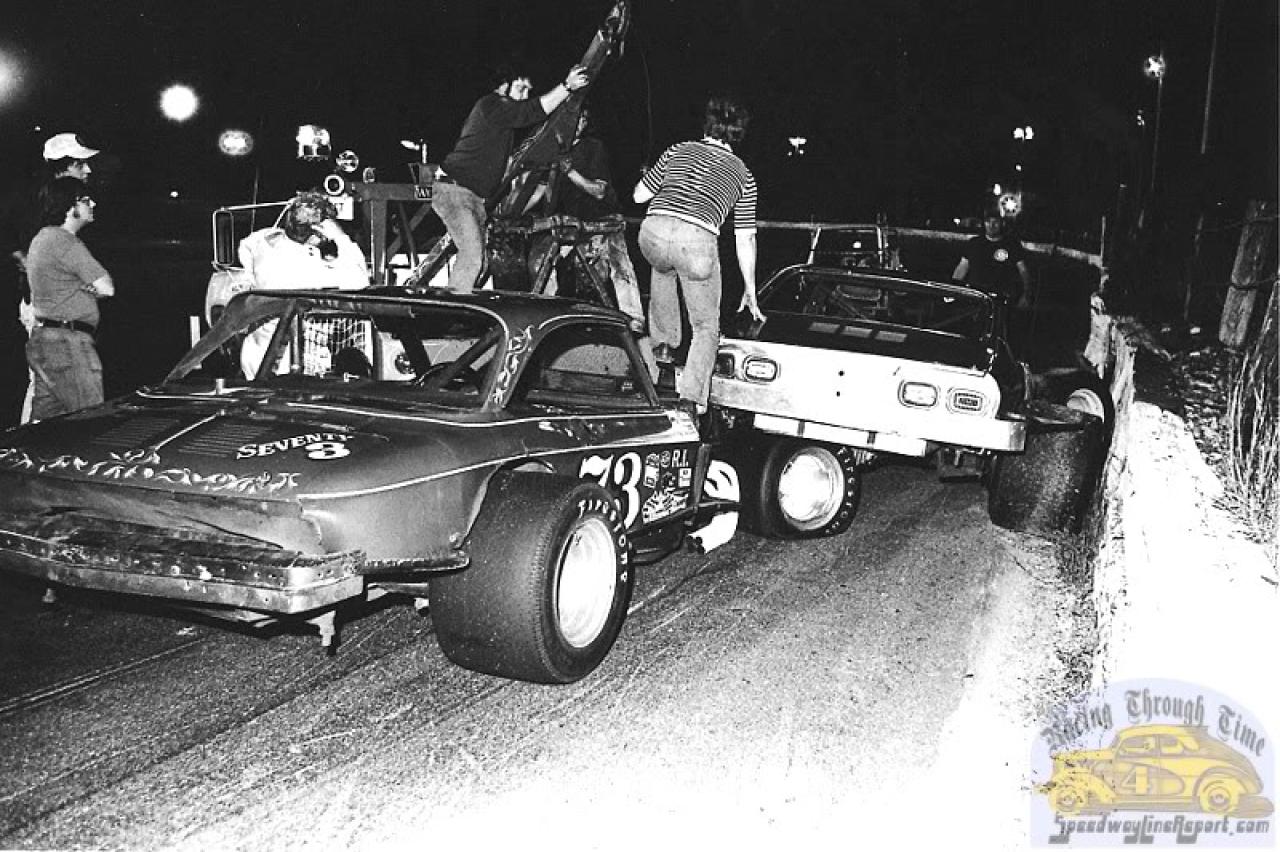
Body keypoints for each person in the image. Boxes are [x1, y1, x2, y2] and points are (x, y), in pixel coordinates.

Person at [633, 96, 766, 416]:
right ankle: (691, 400)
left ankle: (663, 348)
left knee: (663, 267)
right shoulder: (744, 175)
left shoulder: (677, 150)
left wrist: (653, 177)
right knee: (706, 325)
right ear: (739, 134)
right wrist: (750, 290)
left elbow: (638, 196)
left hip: (652, 233)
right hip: (696, 243)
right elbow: (745, 237)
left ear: (706, 125)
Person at [433, 62, 590, 293]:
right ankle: (453, 310)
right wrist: (567, 87)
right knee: (472, 257)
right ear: (503, 86)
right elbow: (530, 111)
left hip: (474, 198)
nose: (525, 96)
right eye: (520, 88)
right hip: (455, 193)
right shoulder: (491, 104)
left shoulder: (500, 126)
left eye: (528, 91)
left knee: (480, 262)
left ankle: (457, 300)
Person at [0, 133, 100, 428]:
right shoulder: (34, 201)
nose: (88, 169)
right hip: (44, 312)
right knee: (46, 386)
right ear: (62, 164)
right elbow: (7, 236)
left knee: (51, 395)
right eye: (80, 163)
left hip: (64, 314)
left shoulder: (69, 204)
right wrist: (28, 263)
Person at [236, 191, 368, 377]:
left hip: (255, 358)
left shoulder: (263, 242)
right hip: (298, 366)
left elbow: (246, 246)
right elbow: (361, 282)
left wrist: (248, 277)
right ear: (320, 231)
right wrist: (340, 236)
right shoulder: (316, 270)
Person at [24, 177, 113, 422]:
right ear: (69, 206)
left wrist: (82, 285)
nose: (92, 204)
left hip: (45, 341)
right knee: (90, 421)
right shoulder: (65, 242)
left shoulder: (42, 238)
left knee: (46, 427)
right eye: (86, 200)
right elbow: (106, 287)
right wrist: (89, 287)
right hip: (68, 345)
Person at [951, 212, 1032, 337]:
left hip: (1000, 300)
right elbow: (962, 268)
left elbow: (1023, 271)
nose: (991, 225)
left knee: (999, 334)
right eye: (988, 222)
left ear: (1002, 224)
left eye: (995, 222)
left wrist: (1026, 295)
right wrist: (952, 290)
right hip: (975, 297)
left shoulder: (1011, 244)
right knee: (971, 333)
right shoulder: (974, 243)